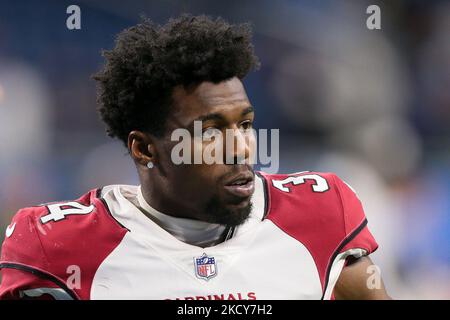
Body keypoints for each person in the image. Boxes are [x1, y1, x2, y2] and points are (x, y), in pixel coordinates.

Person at [0, 14, 389, 300]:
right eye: (210, 130)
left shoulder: (320, 212)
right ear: (145, 148)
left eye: (246, 123)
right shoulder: (53, 245)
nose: (241, 147)